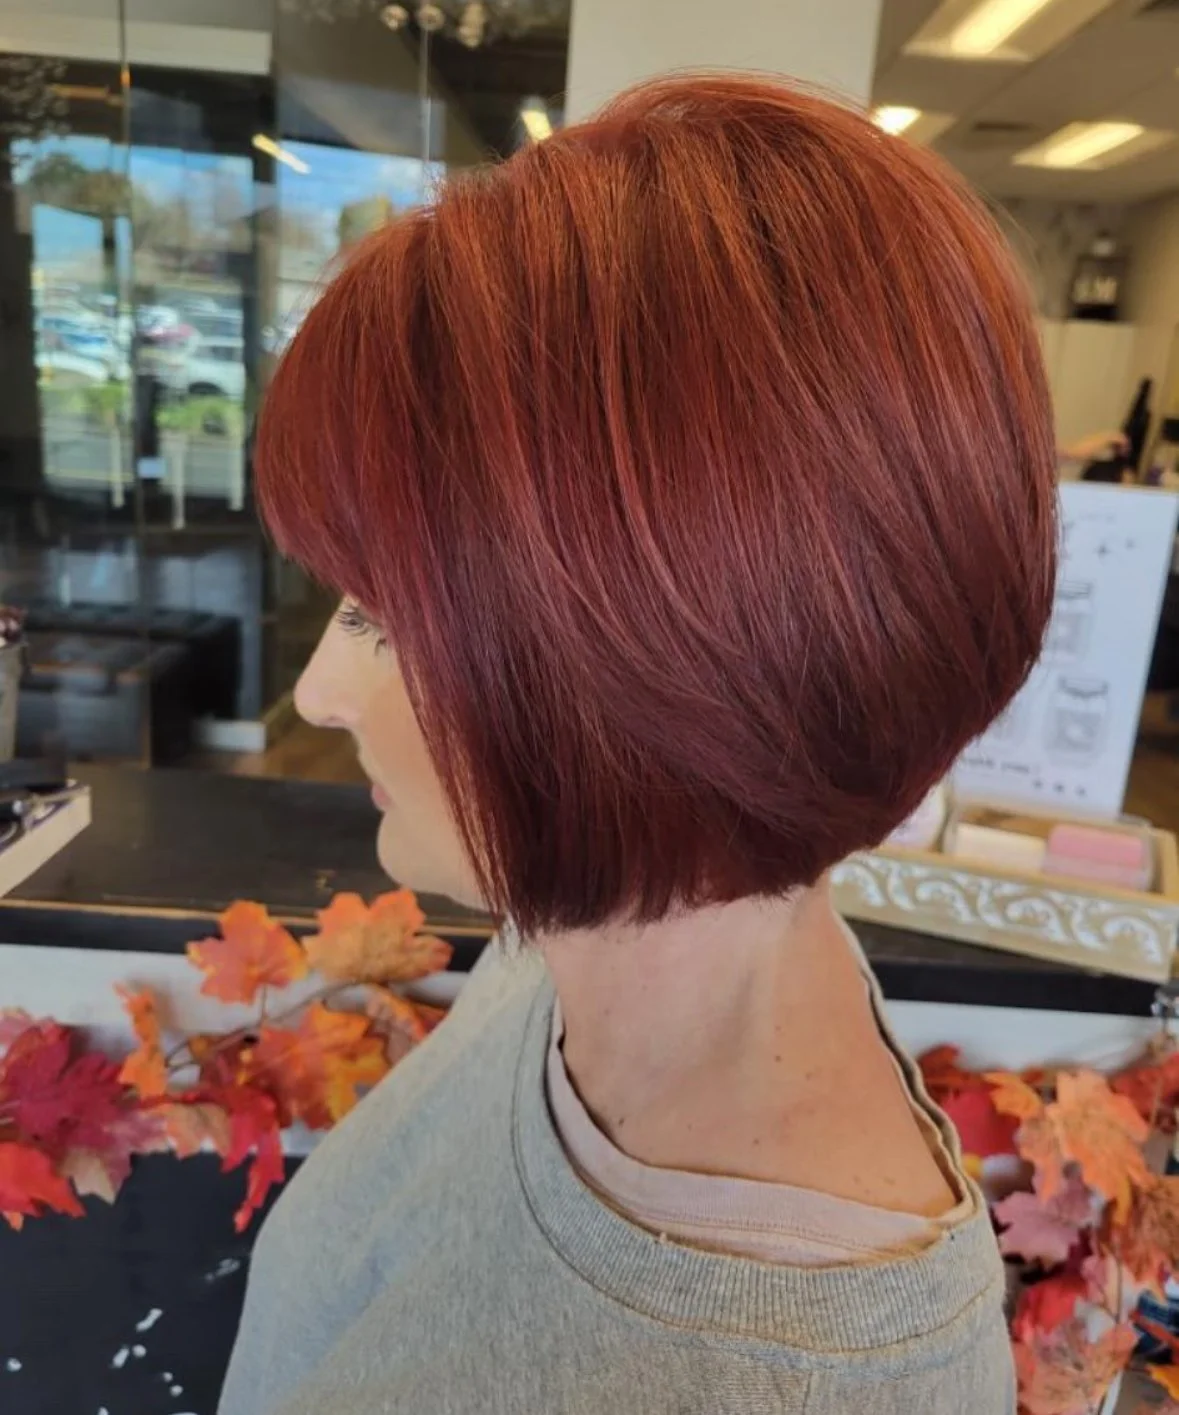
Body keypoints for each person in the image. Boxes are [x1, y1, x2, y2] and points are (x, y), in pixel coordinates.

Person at [218, 75, 1057, 1415]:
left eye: (380, 618)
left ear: (654, 672)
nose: (318, 691)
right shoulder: (595, 944)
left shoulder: (749, 1378)